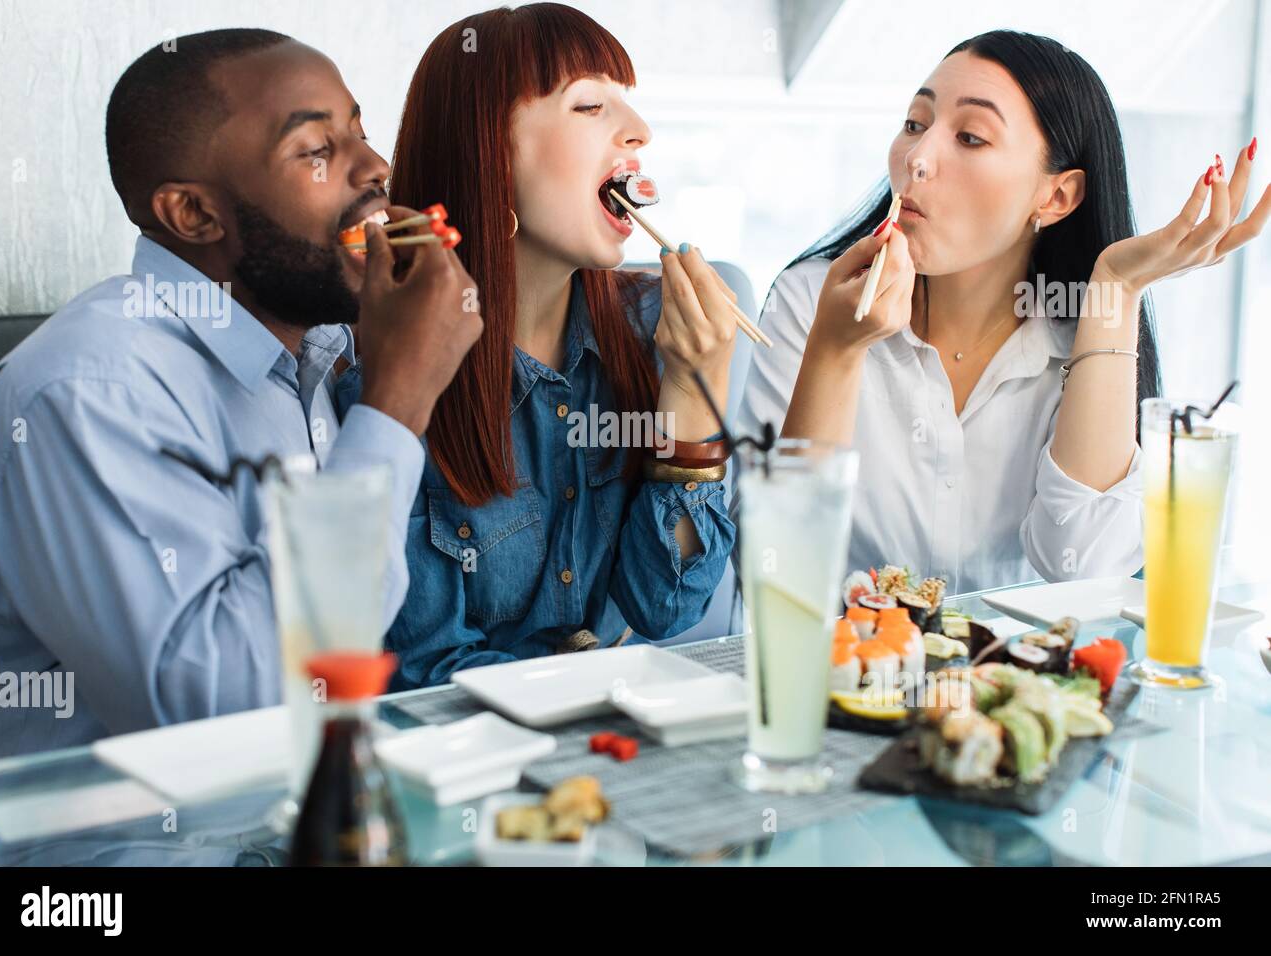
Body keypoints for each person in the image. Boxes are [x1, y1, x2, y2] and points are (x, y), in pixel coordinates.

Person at [0, 29, 481, 760]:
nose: (376, 167)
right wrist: (398, 401)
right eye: (316, 149)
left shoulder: (318, 356)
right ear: (195, 216)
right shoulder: (87, 392)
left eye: (360, 132)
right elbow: (231, 713)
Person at [739, 30, 1269, 593]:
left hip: (1019, 678)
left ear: (1056, 197)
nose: (917, 158)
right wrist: (836, 351)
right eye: (915, 124)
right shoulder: (815, 300)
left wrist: (1116, 287)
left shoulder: (1075, 336)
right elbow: (777, 576)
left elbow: (1084, 570)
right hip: (849, 675)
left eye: (970, 137)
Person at [337, 3, 738, 689]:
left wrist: (696, 384)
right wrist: (595, 682)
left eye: (627, 105)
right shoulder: (384, 377)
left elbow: (667, 606)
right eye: (589, 107)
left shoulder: (650, 327)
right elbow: (426, 675)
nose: (637, 133)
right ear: (489, 153)